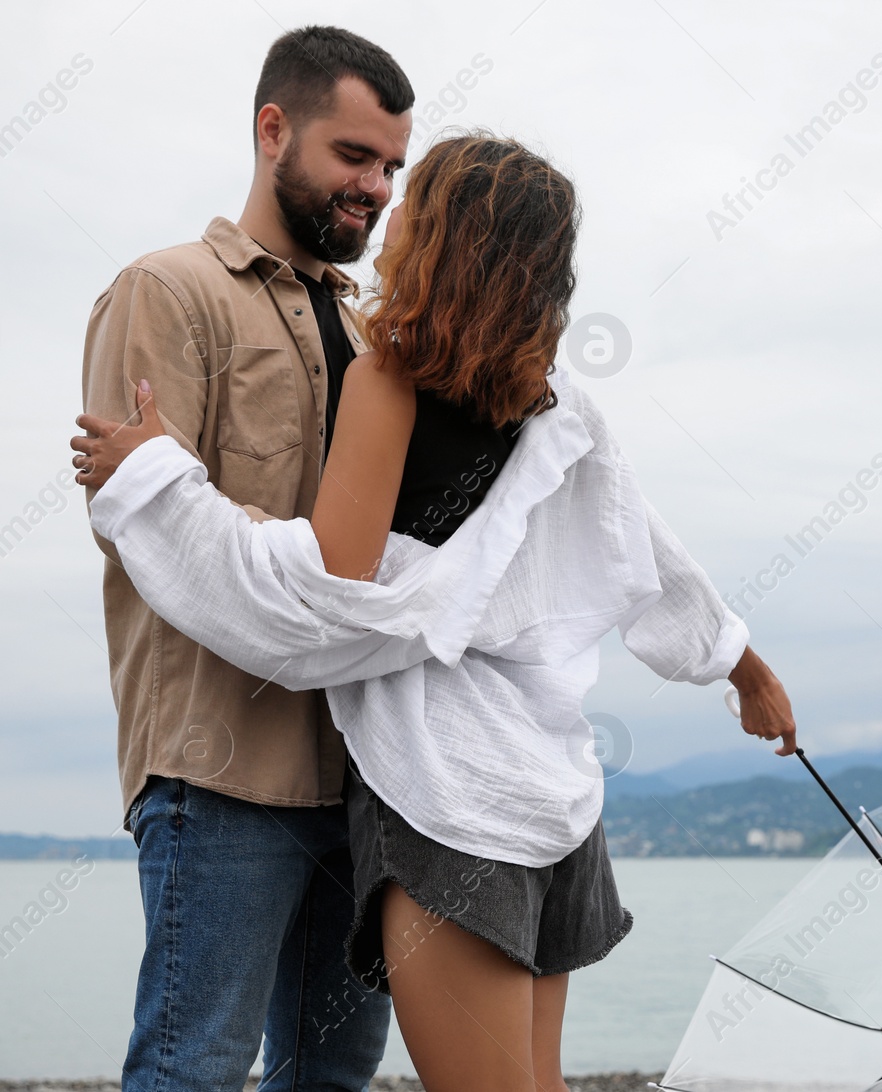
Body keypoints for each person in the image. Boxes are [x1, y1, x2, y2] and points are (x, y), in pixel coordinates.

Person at [73, 131, 798, 1091]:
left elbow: (326, 601)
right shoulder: (555, 403)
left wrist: (156, 484)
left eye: (415, 197)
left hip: (453, 808)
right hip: (555, 802)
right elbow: (647, 543)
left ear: (447, 239)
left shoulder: (390, 379)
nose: (392, 207)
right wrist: (742, 665)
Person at [73, 25, 413, 1091]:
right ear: (274, 129)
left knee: (333, 1078)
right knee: (192, 1072)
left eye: (394, 167)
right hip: (219, 772)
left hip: (366, 774)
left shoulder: (375, 334)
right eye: (355, 156)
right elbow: (149, 524)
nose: (378, 189)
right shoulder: (166, 291)